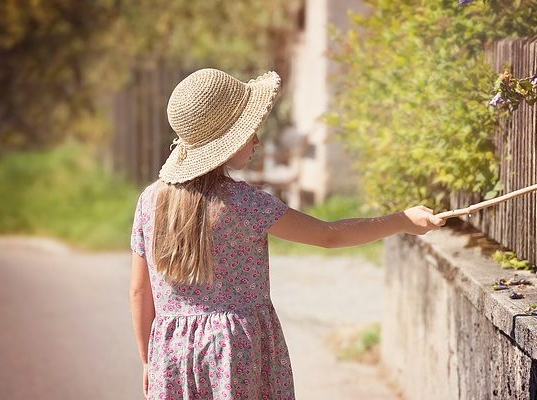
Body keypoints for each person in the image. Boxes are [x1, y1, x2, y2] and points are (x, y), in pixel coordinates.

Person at [129, 68, 445, 400]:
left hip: (171, 352)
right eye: (248, 132)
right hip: (236, 351)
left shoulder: (150, 201)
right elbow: (329, 235)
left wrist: (149, 359)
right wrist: (401, 220)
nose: (256, 140)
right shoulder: (245, 204)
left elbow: (139, 291)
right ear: (226, 142)